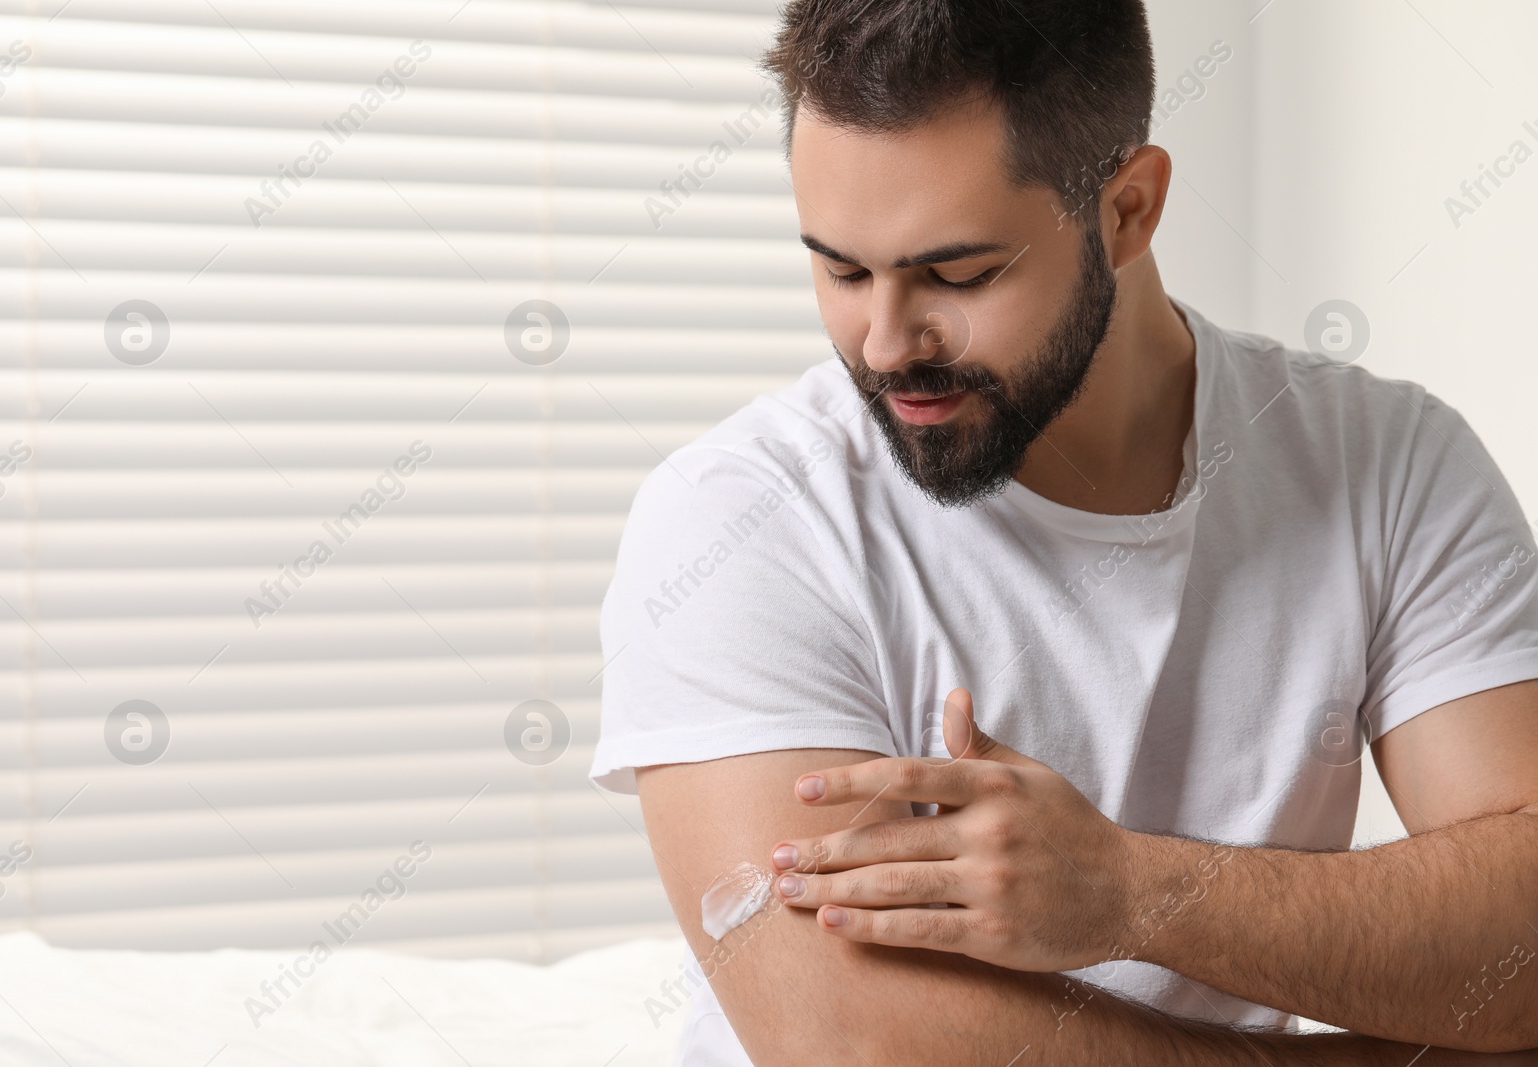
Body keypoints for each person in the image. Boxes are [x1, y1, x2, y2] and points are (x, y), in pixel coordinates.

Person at [590, 1, 1538, 1062]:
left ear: (1127, 209)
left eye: (957, 274)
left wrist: (1130, 889)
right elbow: (846, 1041)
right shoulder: (737, 516)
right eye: (842, 269)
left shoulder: (1384, 462)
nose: (887, 342)